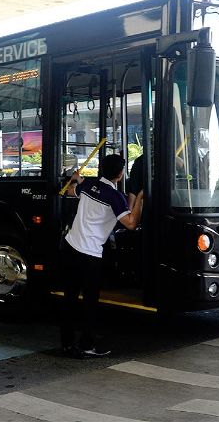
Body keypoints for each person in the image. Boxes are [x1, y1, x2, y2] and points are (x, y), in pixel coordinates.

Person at [60, 153, 144, 358]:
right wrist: (140, 197)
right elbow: (131, 224)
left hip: (70, 246)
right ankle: (87, 344)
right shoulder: (115, 197)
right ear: (121, 174)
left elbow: (71, 192)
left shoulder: (89, 186)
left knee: (70, 297)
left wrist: (76, 179)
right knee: (90, 302)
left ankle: (67, 344)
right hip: (90, 254)